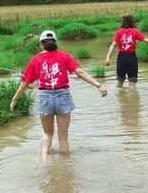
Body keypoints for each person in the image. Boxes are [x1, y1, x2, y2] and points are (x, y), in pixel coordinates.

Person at [10, 29, 108, 160]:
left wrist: (14, 100)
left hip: (45, 97)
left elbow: (25, 83)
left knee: (47, 133)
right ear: (55, 42)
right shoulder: (64, 56)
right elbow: (80, 72)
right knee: (63, 138)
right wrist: (98, 85)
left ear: (41, 44)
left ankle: (43, 160)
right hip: (63, 96)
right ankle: (65, 166)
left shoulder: (35, 59)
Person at [104, 13, 148, 89]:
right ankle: (133, 100)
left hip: (121, 58)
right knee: (132, 83)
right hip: (131, 58)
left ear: (123, 21)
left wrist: (108, 57)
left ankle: (120, 99)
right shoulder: (135, 32)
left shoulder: (119, 32)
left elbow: (113, 45)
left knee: (119, 83)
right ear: (132, 21)